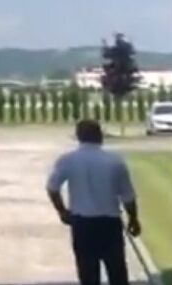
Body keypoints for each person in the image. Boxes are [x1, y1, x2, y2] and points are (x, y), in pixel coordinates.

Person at [47, 119, 139, 285]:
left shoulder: (68, 160)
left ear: (78, 136)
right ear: (99, 135)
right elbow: (128, 196)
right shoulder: (115, 161)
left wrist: (62, 211)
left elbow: (52, 188)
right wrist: (133, 219)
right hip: (109, 224)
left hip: (82, 224)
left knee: (88, 274)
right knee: (117, 272)